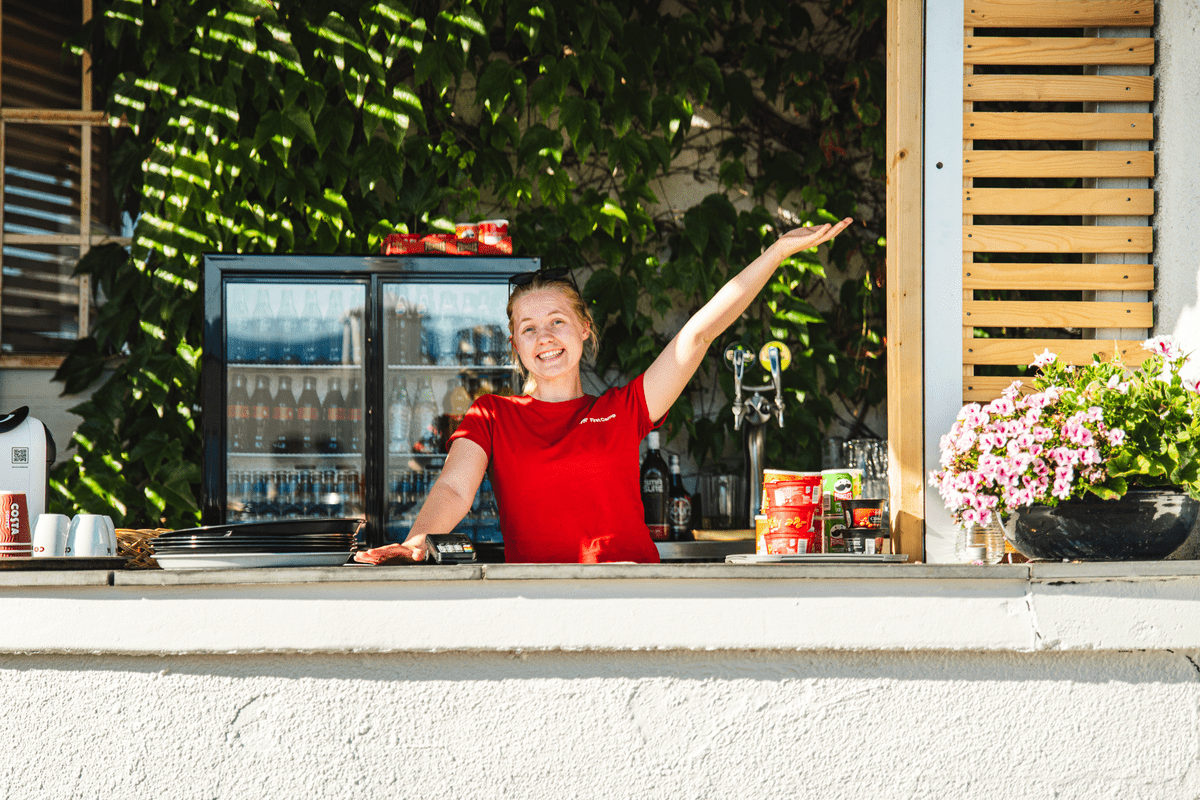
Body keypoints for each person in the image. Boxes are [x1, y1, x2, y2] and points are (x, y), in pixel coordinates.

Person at [354, 218, 854, 565]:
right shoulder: (491, 415)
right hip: (542, 601)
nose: (544, 337)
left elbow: (697, 335)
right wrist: (419, 539)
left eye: (557, 322)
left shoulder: (623, 410)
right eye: (528, 329)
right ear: (515, 346)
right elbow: (454, 488)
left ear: (585, 329)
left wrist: (776, 253)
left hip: (631, 593)